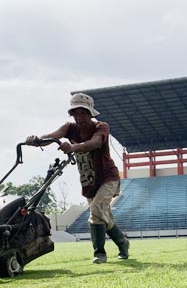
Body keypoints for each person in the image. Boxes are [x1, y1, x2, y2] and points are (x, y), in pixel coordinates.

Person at [26, 93, 130, 263]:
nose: (79, 117)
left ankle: (99, 254)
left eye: (83, 113)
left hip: (107, 176)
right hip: (89, 179)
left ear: (91, 114)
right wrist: (37, 140)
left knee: (96, 210)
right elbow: (52, 137)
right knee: (105, 216)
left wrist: (73, 147)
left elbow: (95, 143)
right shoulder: (69, 128)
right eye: (76, 113)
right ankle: (122, 242)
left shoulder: (101, 127)